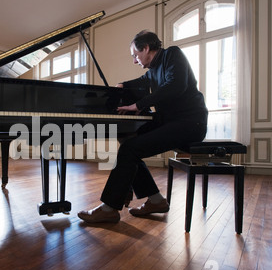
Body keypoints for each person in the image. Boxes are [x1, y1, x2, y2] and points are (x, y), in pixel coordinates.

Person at [78, 30, 208, 223]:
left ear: (146, 48)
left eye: (135, 55)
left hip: (190, 123)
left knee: (131, 149)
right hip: (170, 120)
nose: (134, 61)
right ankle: (155, 200)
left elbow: (175, 86)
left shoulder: (172, 54)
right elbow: (140, 82)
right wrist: (121, 85)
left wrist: (139, 105)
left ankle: (109, 208)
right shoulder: (152, 72)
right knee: (128, 135)